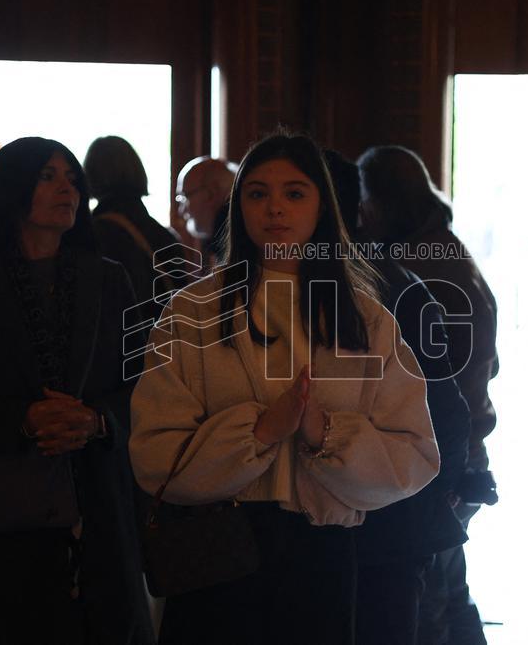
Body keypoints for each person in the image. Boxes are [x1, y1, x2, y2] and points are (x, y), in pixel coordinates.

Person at [128, 133, 440, 644]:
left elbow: (414, 451)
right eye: (257, 193)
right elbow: (153, 452)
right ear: (239, 205)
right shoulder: (191, 312)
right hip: (216, 553)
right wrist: (258, 432)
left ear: (321, 206)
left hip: (322, 558)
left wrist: (326, 434)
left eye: (295, 193)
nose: (275, 208)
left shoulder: (364, 318)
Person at [0, 137, 153, 645]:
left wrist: (96, 420)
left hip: (99, 509)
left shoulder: (110, 281)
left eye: (72, 177)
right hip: (1, 509)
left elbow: (144, 386)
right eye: (48, 176)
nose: (68, 187)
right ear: (12, 188)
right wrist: (24, 420)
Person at [325, 150, 472, 645]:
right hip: (388, 515)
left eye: (295, 195)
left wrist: (436, 483)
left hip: (387, 520)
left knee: (427, 616)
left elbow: (446, 406)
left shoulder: (391, 283)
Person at [359, 145, 499, 645]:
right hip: (464, 449)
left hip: (443, 457)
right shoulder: (445, 247)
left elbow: (433, 381)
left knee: (430, 606)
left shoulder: (418, 268)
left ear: (376, 203)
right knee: (449, 592)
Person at [84, 135, 185, 325]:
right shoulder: (166, 236)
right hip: (165, 346)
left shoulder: (94, 233)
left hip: (122, 347)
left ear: (90, 175)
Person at [172, 156, 237, 266]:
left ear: (211, 193)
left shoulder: (236, 246)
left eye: (184, 197)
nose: (181, 211)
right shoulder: (230, 237)